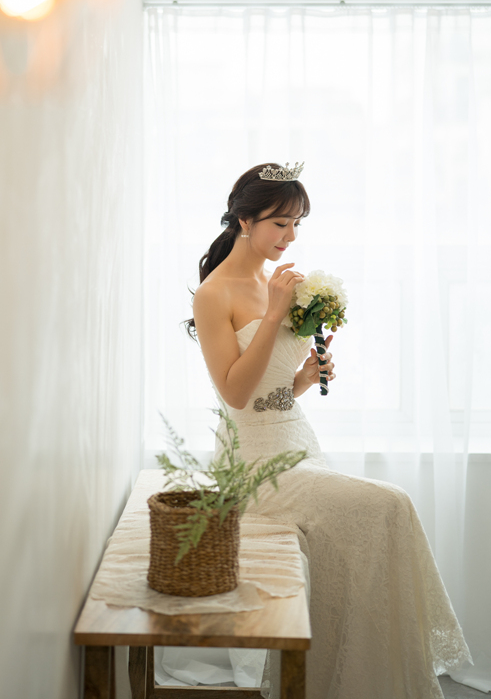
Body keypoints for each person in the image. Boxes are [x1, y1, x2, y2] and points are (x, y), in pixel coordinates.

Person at [188, 162, 470, 699]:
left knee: (354, 547)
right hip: (254, 465)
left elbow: (268, 392)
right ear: (244, 221)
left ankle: (353, 681)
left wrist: (301, 379)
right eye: (280, 223)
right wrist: (275, 316)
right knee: (391, 504)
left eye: (297, 223)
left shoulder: (270, 281)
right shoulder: (214, 293)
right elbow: (235, 396)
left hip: (298, 443)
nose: (291, 236)